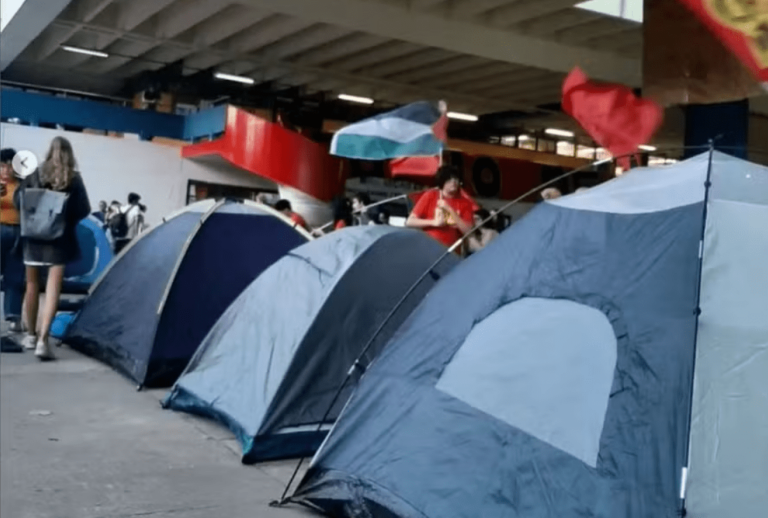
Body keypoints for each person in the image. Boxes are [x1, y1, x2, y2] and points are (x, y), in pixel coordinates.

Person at [14, 136, 91, 360]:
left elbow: (19, 200)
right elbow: (84, 209)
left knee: (31, 286)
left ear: (49, 151)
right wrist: (63, 219)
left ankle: (29, 335)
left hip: (32, 238)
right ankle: (43, 340)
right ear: (69, 154)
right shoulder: (73, 178)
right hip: (59, 240)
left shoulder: (34, 173)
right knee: (52, 290)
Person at [406, 165, 477, 254]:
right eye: (449, 179)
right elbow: (410, 221)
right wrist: (433, 222)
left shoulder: (465, 203)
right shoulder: (430, 196)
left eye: (456, 179)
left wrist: (449, 209)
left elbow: (469, 231)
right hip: (428, 247)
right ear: (442, 181)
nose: (454, 182)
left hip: (451, 251)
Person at [1, 148, 25, 333]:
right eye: (2, 166)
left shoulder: (23, 185)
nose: (6, 171)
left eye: (10, 166)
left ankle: (13, 317)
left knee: (14, 276)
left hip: (19, 232)